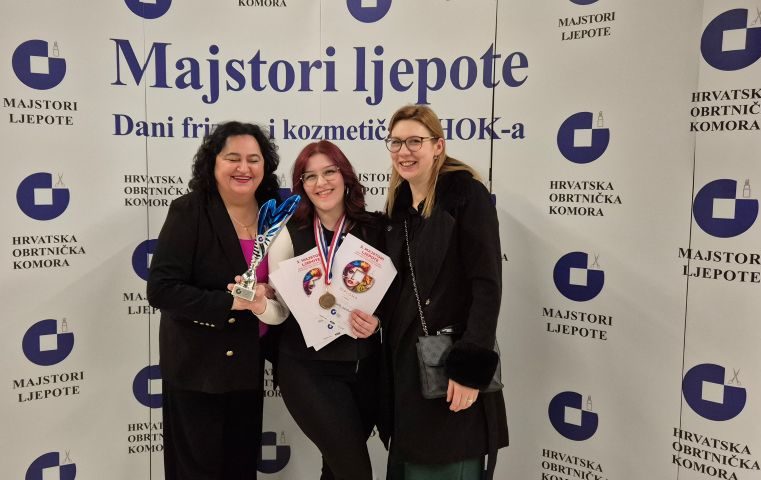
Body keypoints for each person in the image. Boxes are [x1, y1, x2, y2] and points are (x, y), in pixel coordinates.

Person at [147, 121, 289, 480]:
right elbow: (161, 289)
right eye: (232, 158)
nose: (244, 168)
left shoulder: (272, 214)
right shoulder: (190, 210)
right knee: (197, 472)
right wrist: (229, 303)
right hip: (197, 369)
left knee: (240, 469)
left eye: (254, 159)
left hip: (247, 366)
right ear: (212, 163)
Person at [378, 105, 508, 480]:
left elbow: (487, 285)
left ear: (438, 146)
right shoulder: (398, 208)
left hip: (450, 372)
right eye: (396, 142)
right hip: (406, 374)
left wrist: (469, 371)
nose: (404, 151)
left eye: (414, 141)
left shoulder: (466, 196)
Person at [266, 140, 383, 480]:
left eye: (329, 172)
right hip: (308, 371)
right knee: (354, 473)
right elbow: (279, 310)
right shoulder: (287, 234)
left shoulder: (376, 229)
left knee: (335, 470)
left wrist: (378, 323)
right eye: (310, 176)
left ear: (345, 176)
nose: (321, 183)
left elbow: (395, 299)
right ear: (301, 185)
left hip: (365, 370)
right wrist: (260, 305)